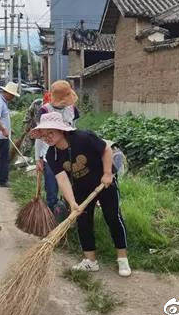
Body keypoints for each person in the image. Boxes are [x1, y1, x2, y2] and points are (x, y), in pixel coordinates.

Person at [30, 112, 131, 277]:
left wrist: (107, 173)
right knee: (83, 220)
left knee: (113, 217)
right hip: (80, 188)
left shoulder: (83, 137)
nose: (47, 137)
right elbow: (62, 180)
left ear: (61, 130)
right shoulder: (51, 154)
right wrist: (72, 203)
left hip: (103, 182)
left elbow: (106, 149)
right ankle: (90, 261)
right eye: (43, 134)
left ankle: (122, 258)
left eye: (51, 132)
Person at [34, 81, 80, 218]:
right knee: (51, 189)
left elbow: (74, 130)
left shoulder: (72, 109)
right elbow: (39, 136)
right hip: (50, 156)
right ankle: (52, 220)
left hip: (69, 154)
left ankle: (69, 217)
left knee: (71, 188)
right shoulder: (45, 110)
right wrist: (38, 159)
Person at [0, 82, 19, 187]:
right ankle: (3, 180)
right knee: (3, 158)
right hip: (0, 136)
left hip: (0, 135)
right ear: (7, 93)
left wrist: (8, 129)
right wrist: (3, 129)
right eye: (12, 95)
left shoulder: (2, 101)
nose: (12, 98)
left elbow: (1, 118)